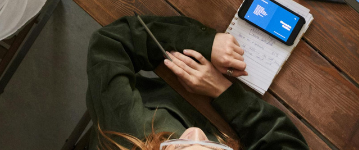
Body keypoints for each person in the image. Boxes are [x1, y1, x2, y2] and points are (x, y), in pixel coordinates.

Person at [86, 14, 309, 150]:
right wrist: (223, 91)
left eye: (177, 147)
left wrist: (202, 42)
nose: (195, 133)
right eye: (215, 149)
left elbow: (109, 45)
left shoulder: (127, 130)